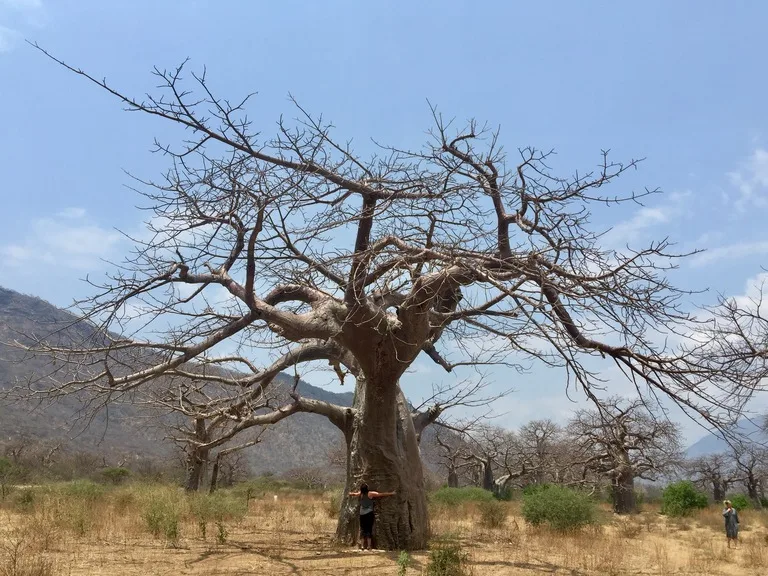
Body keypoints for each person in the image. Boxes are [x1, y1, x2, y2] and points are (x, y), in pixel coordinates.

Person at [348, 482, 396, 550]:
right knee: (368, 529)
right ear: (367, 488)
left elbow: (354, 494)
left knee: (362, 529)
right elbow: (380, 494)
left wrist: (350, 493)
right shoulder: (370, 494)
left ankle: (362, 546)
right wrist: (391, 493)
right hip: (369, 514)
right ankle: (369, 546)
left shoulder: (360, 494)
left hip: (362, 514)